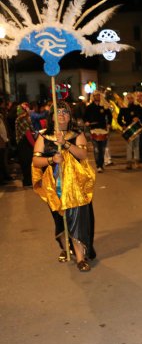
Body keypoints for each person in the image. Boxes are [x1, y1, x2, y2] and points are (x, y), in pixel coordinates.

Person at [31, 101, 96, 271]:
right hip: (54, 187)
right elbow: (36, 161)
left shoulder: (77, 134)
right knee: (60, 220)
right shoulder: (44, 136)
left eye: (65, 112)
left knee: (77, 220)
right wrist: (52, 159)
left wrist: (65, 143)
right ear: (51, 116)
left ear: (70, 116)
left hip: (75, 187)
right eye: (57, 112)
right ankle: (65, 248)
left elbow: (83, 154)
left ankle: (81, 258)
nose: (61, 115)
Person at [117, 93, 142, 170]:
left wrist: (138, 118)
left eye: (131, 98)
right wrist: (123, 125)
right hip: (128, 128)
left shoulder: (137, 107)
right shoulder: (123, 108)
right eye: (128, 98)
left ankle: (137, 161)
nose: (130, 99)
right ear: (126, 99)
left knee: (136, 146)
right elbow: (119, 119)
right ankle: (129, 162)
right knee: (129, 146)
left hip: (136, 127)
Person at [84, 91, 112, 173]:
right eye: (95, 95)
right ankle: (98, 166)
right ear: (93, 97)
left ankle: (101, 164)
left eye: (98, 95)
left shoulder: (104, 106)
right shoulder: (89, 107)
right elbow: (85, 116)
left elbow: (109, 116)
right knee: (96, 149)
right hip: (93, 130)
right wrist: (87, 121)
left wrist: (109, 124)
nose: (97, 97)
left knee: (102, 149)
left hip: (103, 129)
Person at [15, 103, 35, 187]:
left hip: (22, 142)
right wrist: (34, 145)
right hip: (25, 142)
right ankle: (28, 181)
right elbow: (28, 133)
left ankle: (27, 181)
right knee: (27, 162)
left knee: (25, 162)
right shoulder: (23, 119)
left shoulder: (20, 118)